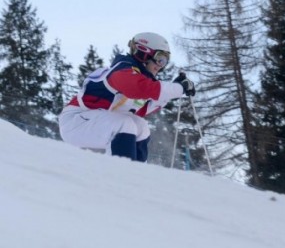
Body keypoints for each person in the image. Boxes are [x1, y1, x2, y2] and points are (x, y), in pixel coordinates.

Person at [58, 32, 196, 162]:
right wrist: (178, 89)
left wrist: (172, 92)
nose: (160, 67)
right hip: (76, 121)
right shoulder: (122, 70)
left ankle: (136, 177)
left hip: (97, 123)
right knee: (124, 125)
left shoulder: (142, 80)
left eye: (165, 62)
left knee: (141, 127)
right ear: (143, 54)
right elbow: (137, 88)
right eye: (160, 59)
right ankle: (121, 176)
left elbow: (143, 107)